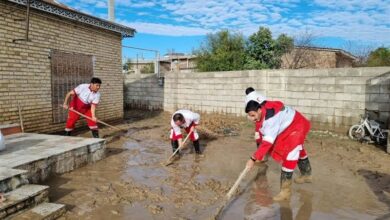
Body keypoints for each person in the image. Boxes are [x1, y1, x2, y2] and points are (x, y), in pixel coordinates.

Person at [244, 92, 313, 201]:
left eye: (253, 115)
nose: (251, 118)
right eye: (249, 116)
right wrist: (259, 155)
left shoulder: (270, 119)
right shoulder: (261, 108)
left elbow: (267, 142)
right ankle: (307, 174)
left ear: (259, 110)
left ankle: (286, 191)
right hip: (288, 124)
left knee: (290, 154)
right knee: (298, 148)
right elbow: (261, 134)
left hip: (296, 125)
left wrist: (253, 158)